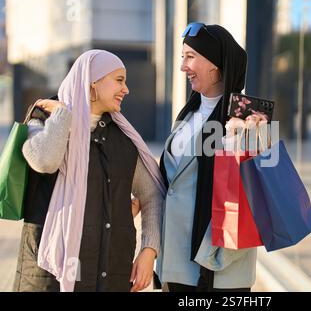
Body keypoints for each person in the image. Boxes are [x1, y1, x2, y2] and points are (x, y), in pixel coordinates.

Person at [13, 49, 166, 292]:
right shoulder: (44, 118)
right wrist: (63, 115)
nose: (126, 89)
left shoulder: (124, 140)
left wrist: (149, 250)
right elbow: (45, 161)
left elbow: (153, 194)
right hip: (49, 276)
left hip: (108, 274)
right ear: (93, 82)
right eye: (119, 80)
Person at [156, 23, 264, 292]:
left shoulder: (248, 118)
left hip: (219, 266)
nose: (183, 66)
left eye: (190, 57)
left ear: (216, 64)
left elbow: (253, 190)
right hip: (177, 261)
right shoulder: (186, 116)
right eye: (182, 57)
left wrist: (247, 138)